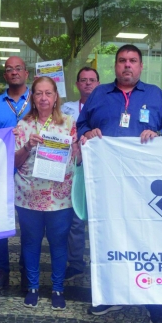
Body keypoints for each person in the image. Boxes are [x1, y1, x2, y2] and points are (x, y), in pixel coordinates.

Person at [77, 44, 162, 323]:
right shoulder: (99, 94)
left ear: (141, 66)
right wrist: (89, 132)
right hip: (108, 185)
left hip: (145, 187)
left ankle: (153, 301)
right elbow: (81, 125)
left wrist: (158, 134)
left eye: (133, 61)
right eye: (122, 60)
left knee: (149, 240)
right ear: (115, 66)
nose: (127, 65)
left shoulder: (156, 96)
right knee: (108, 237)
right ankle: (110, 294)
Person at [15, 76, 78, 310]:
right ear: (32, 97)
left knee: (58, 243)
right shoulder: (23, 125)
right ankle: (32, 287)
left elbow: (77, 157)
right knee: (30, 242)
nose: (43, 98)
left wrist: (76, 145)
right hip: (28, 193)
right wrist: (28, 146)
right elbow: (15, 160)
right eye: (38, 93)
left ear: (55, 97)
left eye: (48, 93)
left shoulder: (68, 123)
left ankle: (57, 288)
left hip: (59, 196)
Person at [0, 55, 31, 291]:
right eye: (9, 70)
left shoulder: (38, 100)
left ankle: (28, 270)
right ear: (5, 76)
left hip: (31, 171)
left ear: (26, 73)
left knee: (28, 223)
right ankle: (1, 269)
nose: (14, 72)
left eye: (18, 69)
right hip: (1, 169)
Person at [61, 67, 100, 280]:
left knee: (100, 218)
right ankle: (76, 262)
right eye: (83, 80)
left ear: (98, 83)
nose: (87, 84)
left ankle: (99, 260)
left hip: (101, 169)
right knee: (76, 218)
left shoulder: (107, 106)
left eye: (92, 80)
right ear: (77, 84)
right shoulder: (67, 108)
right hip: (74, 167)